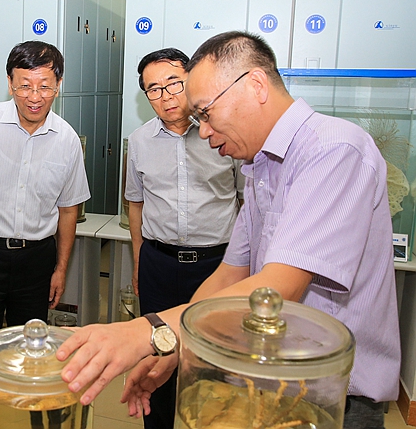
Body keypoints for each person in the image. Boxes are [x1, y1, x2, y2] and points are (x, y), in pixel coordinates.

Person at [56, 31, 399, 429]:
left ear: (255, 85)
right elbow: (229, 275)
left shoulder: (333, 150)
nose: (202, 131)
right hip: (266, 381)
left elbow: (279, 288)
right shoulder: (261, 167)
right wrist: (173, 351)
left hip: (331, 397)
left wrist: (145, 332)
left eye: (205, 112)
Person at [0, 40, 90, 429]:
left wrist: (60, 268)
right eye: (24, 85)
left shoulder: (67, 139)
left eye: (44, 86)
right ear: (9, 83)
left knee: (33, 352)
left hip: (35, 260)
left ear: (58, 85)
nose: (34, 96)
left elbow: (68, 210)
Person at [126, 47, 243, 429]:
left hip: (218, 266)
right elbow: (136, 205)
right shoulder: (139, 141)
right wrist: (139, 261)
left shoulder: (223, 132)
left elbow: (246, 201)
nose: (166, 96)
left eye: (174, 83)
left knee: (215, 364)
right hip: (159, 265)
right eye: (154, 89)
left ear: (191, 80)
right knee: (158, 356)